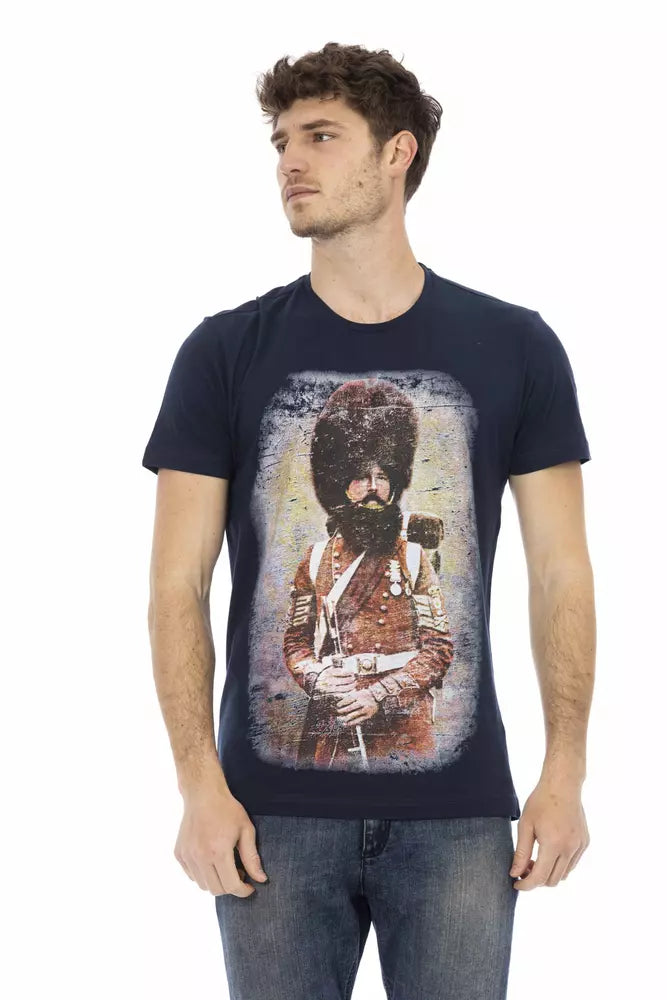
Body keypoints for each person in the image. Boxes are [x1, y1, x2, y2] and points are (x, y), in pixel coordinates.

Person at [142, 41, 595, 1000]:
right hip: (270, 812)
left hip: (457, 810)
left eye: (319, 136)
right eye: (280, 142)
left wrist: (563, 773)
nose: (289, 163)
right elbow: (178, 583)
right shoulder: (221, 353)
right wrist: (198, 785)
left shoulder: (516, 346)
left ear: (396, 153)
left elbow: (559, 572)